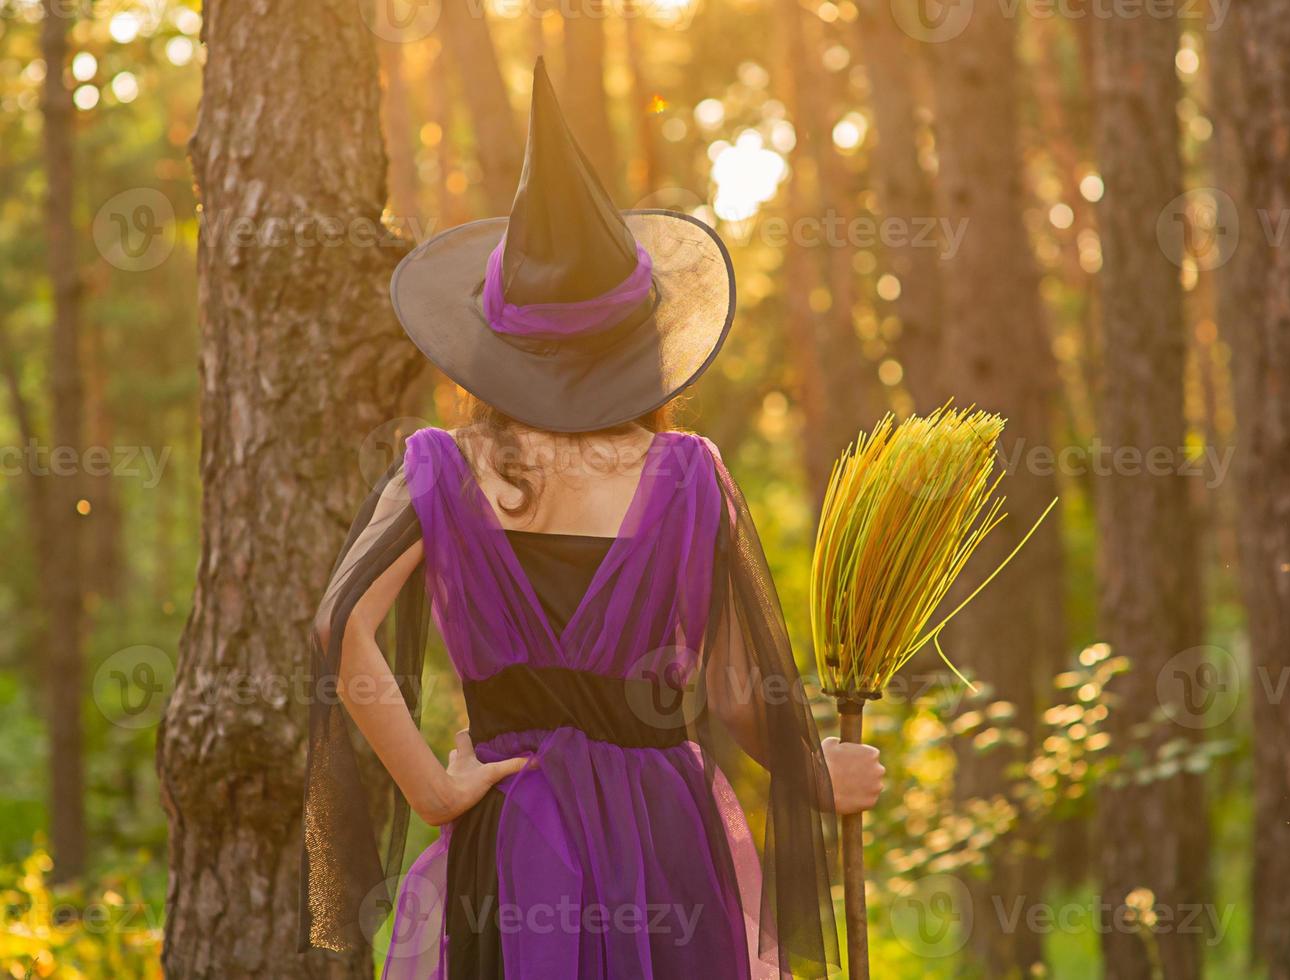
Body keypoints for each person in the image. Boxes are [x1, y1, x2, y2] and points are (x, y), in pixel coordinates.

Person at [298, 59, 883, 979]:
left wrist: (436, 792)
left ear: (495, 345)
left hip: (512, 833)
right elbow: (737, 692)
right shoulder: (689, 477)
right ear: (639, 348)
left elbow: (340, 624)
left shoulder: (445, 471)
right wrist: (818, 775)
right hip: (666, 841)